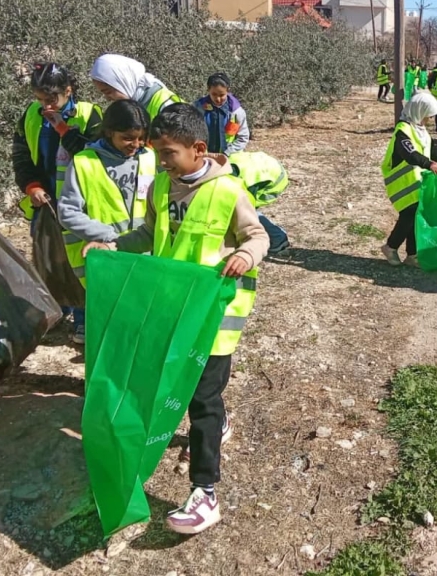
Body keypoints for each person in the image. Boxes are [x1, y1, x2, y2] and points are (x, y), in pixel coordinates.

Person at [83, 104, 269, 534]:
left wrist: (244, 254)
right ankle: (218, 421)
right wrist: (114, 247)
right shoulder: (160, 188)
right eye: (157, 153)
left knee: (202, 400)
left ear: (198, 149)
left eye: (168, 153)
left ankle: (205, 492)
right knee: (175, 388)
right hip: (172, 311)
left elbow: (256, 235)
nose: (161, 161)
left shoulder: (228, 192)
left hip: (214, 320)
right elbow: (150, 233)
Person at [13, 63, 102, 342]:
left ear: (68, 91)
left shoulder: (90, 114)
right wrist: (32, 186)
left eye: (51, 99)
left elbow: (95, 156)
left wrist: (62, 127)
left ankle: (84, 317)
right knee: (47, 258)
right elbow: (21, 155)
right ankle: (53, 312)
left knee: (80, 260)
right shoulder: (30, 115)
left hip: (80, 203)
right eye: (40, 99)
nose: (44, 105)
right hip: (44, 201)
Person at [57, 100, 157, 313]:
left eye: (141, 139)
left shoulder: (150, 158)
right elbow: (68, 212)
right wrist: (108, 236)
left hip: (143, 254)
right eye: (128, 138)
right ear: (109, 132)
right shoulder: (84, 163)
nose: (135, 144)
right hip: (105, 256)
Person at [380, 92, 437, 268]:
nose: (429, 120)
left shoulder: (420, 131)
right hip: (402, 184)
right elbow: (410, 154)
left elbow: (433, 150)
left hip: (415, 184)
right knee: (409, 216)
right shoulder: (403, 131)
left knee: (417, 217)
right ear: (419, 111)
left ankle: (412, 254)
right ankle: (390, 247)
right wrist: (429, 164)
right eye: (428, 116)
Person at [227, 150, 291, 254]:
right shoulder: (225, 169)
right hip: (264, 169)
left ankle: (278, 239)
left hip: (273, 181)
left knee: (244, 211)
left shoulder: (244, 178)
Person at [91, 54, 181, 121]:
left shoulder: (166, 106)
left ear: (122, 83)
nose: (107, 98)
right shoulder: (133, 104)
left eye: (108, 92)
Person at [195, 73, 250, 156]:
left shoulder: (236, 112)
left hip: (230, 156)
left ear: (228, 90)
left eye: (222, 95)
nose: (218, 99)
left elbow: (243, 138)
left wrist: (226, 153)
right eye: (214, 94)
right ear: (208, 90)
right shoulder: (198, 108)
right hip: (203, 156)